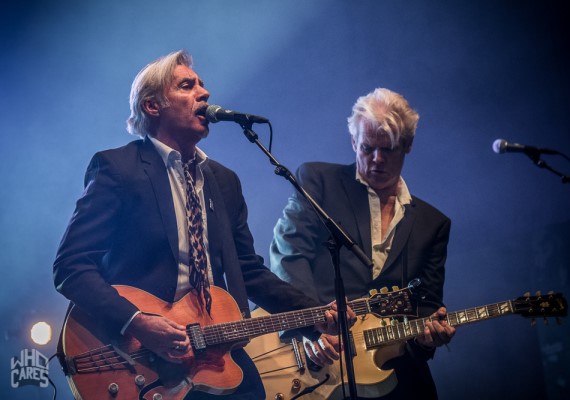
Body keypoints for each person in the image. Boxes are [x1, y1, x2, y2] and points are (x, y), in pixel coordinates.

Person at [52, 50, 355, 400]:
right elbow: (70, 266)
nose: (204, 93)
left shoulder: (223, 181)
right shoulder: (118, 169)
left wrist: (312, 315)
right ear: (153, 106)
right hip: (139, 358)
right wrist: (137, 322)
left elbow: (248, 271)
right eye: (187, 85)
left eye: (202, 85)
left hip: (215, 348)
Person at [270, 88, 455, 399]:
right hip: (318, 360)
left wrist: (428, 339)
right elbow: (289, 255)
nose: (377, 159)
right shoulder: (319, 181)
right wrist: (310, 327)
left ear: (408, 145)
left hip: (394, 370)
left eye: (389, 148)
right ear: (353, 142)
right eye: (368, 148)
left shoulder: (433, 223)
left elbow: (426, 305)